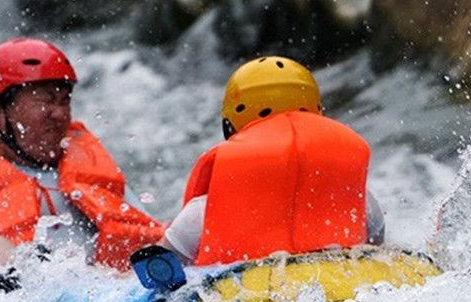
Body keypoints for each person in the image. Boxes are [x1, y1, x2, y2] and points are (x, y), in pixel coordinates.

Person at [0, 38, 163, 280]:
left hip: (108, 296)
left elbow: (149, 239)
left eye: (64, 101)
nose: (59, 114)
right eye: (44, 102)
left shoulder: (98, 179)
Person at [163, 56, 385, 265]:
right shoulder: (358, 199)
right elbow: (377, 251)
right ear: (316, 111)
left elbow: (157, 277)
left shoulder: (204, 211)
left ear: (231, 125)